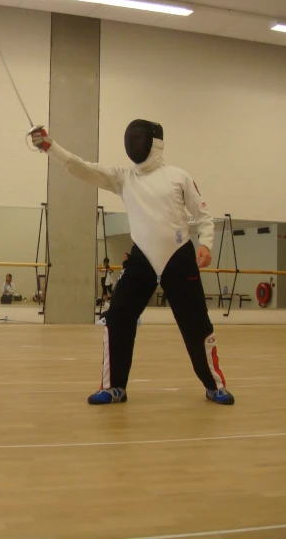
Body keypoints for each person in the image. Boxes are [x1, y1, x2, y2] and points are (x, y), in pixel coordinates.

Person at [31, 120, 234, 406]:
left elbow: (203, 214)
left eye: (139, 139)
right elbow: (82, 167)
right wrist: (50, 147)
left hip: (179, 256)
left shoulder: (178, 176)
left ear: (155, 143)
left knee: (196, 324)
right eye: (131, 139)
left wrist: (206, 245)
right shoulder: (123, 177)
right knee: (117, 318)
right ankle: (115, 387)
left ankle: (215, 385)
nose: (134, 145)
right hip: (142, 257)